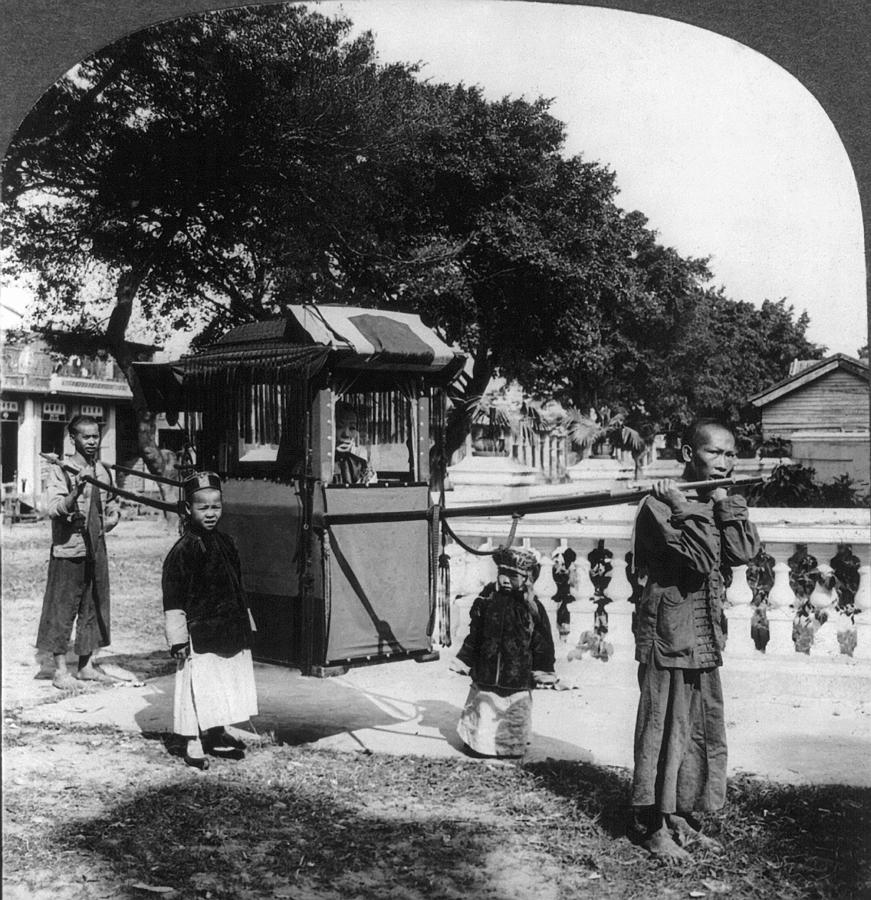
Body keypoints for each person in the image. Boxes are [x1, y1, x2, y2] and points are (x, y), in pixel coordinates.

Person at [630, 419, 760, 861]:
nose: (725, 462)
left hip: (704, 632)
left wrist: (722, 500)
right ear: (689, 455)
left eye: (730, 454)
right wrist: (682, 505)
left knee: (696, 727)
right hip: (668, 632)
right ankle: (652, 824)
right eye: (715, 453)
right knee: (661, 726)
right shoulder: (658, 506)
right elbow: (704, 558)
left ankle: (679, 813)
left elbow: (743, 551)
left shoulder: (716, 499)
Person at [162, 472, 258, 769]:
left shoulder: (226, 543)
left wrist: (247, 621)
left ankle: (216, 729)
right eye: (203, 507)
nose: (211, 513)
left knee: (223, 681)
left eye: (216, 506)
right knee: (197, 685)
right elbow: (174, 598)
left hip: (228, 627)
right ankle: (192, 739)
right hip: (199, 633)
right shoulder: (182, 551)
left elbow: (236, 585)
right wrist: (178, 638)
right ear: (188, 509)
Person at [449, 546, 559, 758]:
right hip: (487, 672)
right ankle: (478, 745)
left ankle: (511, 748)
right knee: (483, 709)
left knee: (512, 713)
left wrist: (543, 669)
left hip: (516, 677)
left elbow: (542, 641)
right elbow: (476, 635)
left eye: (514, 576)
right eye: (503, 574)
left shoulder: (531, 608)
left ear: (527, 578)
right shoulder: (488, 601)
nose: (506, 580)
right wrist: (465, 659)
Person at [36, 415, 121, 689]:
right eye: (86, 437)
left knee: (93, 606)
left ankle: (86, 666)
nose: (93, 441)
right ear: (72, 438)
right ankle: (60, 670)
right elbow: (54, 508)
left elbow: (112, 504)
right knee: (62, 608)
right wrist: (77, 491)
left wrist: (113, 517)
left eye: (96, 436)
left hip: (96, 548)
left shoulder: (104, 471)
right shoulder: (61, 471)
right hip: (69, 549)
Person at [333, 401, 377, 485]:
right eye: (339, 426)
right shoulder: (309, 467)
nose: (346, 434)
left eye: (352, 428)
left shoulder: (361, 466)